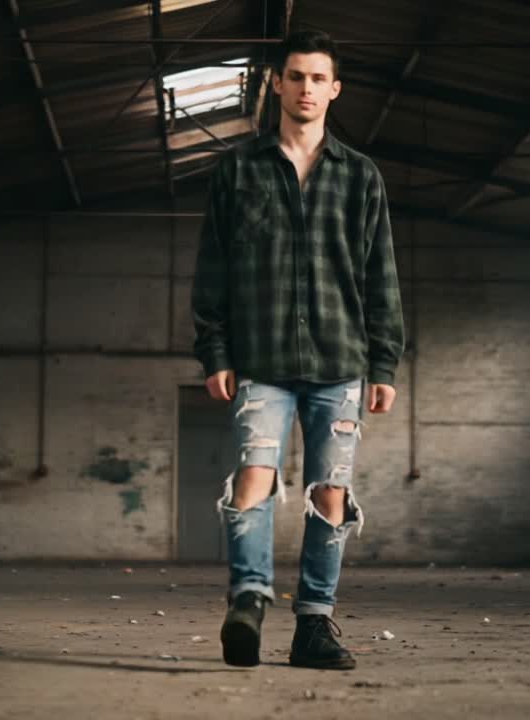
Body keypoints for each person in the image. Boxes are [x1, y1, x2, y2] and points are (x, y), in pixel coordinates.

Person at [190, 28, 405, 670]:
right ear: (277, 85)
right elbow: (214, 270)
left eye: (319, 78)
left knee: (330, 491)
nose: (306, 87)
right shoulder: (238, 170)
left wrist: (384, 360)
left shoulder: (360, 176)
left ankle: (314, 625)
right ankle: (249, 602)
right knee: (255, 475)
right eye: (296, 76)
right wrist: (215, 351)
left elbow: (379, 274)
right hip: (260, 358)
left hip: (340, 361)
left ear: (334, 90)